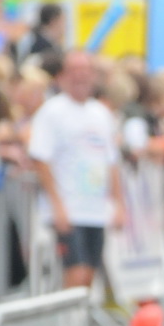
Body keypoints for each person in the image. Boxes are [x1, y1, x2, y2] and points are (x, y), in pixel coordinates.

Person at [27, 50, 123, 290]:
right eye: (74, 70)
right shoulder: (52, 112)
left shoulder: (101, 114)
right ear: (62, 76)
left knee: (89, 274)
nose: (80, 76)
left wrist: (119, 204)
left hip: (95, 209)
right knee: (76, 272)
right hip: (69, 209)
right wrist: (57, 205)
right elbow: (40, 159)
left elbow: (111, 161)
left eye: (85, 70)